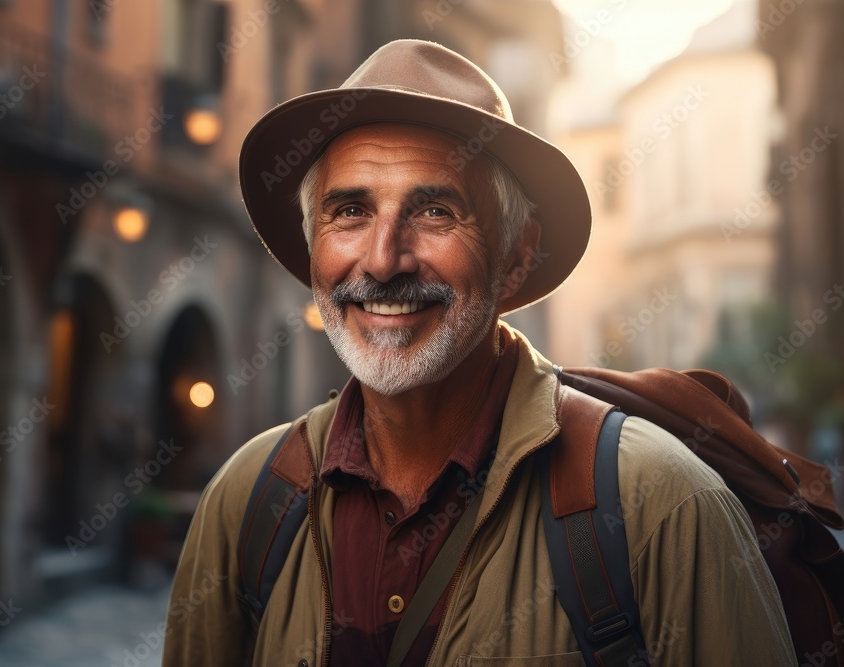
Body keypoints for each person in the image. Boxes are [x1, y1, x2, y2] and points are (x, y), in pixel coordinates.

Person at [163, 39, 796, 666]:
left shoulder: (663, 507)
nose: (383, 260)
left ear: (517, 254)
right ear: (313, 246)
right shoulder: (247, 502)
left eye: (435, 211)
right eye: (350, 210)